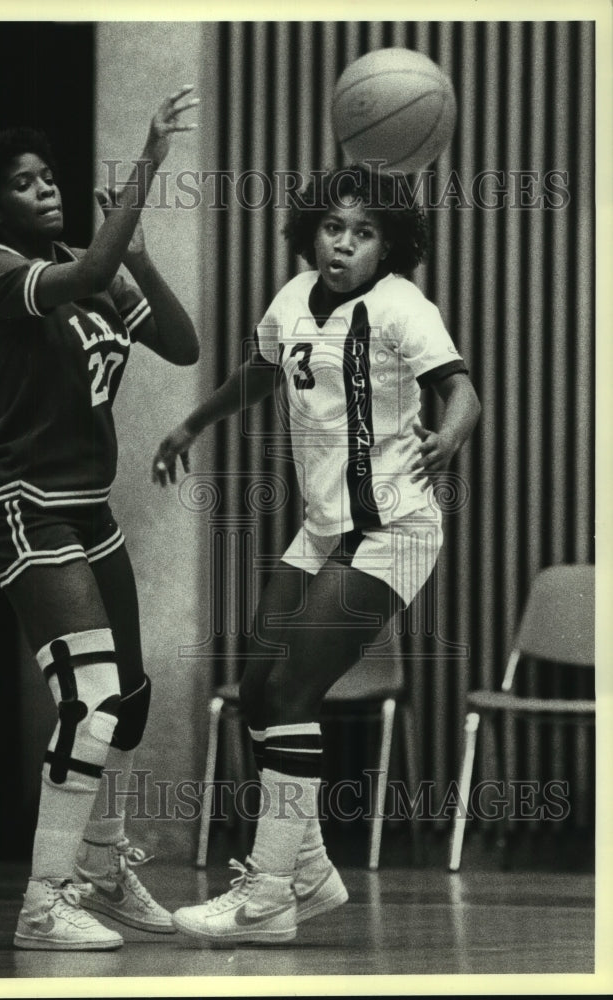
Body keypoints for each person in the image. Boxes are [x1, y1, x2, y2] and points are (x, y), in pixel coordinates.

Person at [152, 166, 481, 944]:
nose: (344, 242)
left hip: (394, 527)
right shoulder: (292, 299)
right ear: (312, 231)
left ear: (390, 246)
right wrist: (190, 426)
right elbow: (256, 376)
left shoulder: (404, 307)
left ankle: (267, 898)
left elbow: (462, 390)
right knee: (262, 689)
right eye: (334, 227)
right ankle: (313, 871)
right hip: (324, 528)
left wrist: (453, 433)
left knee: (296, 688)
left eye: (364, 233)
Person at [0, 87, 199, 951]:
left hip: (87, 510)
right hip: (24, 509)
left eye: (49, 175)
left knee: (127, 700)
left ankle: (101, 869)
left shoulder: (87, 265)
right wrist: (148, 167)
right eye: (25, 182)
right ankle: (44, 900)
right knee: (87, 702)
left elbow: (183, 343)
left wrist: (143, 251)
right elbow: (88, 276)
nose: (47, 188)